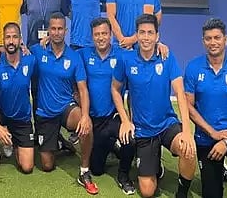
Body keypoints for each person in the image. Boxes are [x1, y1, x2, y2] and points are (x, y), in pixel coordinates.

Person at [111, 14, 196, 198]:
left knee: (188, 151)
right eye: (142, 32)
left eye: (150, 33)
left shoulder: (167, 57)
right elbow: (115, 90)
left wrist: (187, 131)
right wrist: (125, 120)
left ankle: (182, 193)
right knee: (147, 192)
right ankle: (156, 163)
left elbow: (180, 93)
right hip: (143, 130)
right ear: (136, 35)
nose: (146, 37)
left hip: (166, 124)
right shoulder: (126, 59)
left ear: (157, 36)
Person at [184, 18, 227, 198]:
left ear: (226, 40)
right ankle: (219, 168)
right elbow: (188, 107)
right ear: (203, 41)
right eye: (208, 38)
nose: (213, 42)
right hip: (205, 136)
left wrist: (225, 141)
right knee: (212, 194)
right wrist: (213, 133)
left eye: (217, 37)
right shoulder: (193, 68)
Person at [31, 12, 98, 195]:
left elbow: (83, 89)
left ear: (65, 31)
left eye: (60, 28)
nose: (56, 32)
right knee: (47, 165)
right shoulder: (38, 51)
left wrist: (85, 116)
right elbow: (16, 50)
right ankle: (61, 143)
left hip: (66, 108)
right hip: (45, 112)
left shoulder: (74, 57)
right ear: (48, 31)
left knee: (86, 125)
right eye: (53, 28)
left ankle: (84, 171)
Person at [80, 17, 136, 195]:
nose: (101, 37)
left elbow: (145, 51)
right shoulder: (84, 54)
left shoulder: (123, 54)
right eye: (97, 34)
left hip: (113, 116)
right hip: (94, 120)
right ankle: (112, 145)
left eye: (104, 33)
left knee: (129, 138)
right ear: (92, 36)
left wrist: (160, 46)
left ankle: (123, 176)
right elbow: (62, 51)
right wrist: (47, 40)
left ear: (111, 34)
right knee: (97, 169)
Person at [0, 22, 36, 179]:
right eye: (7, 37)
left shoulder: (30, 60)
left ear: (20, 39)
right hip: (1, 113)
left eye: (14, 37)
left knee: (27, 167)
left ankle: (13, 140)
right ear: (3, 40)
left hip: (22, 119)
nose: (11, 41)